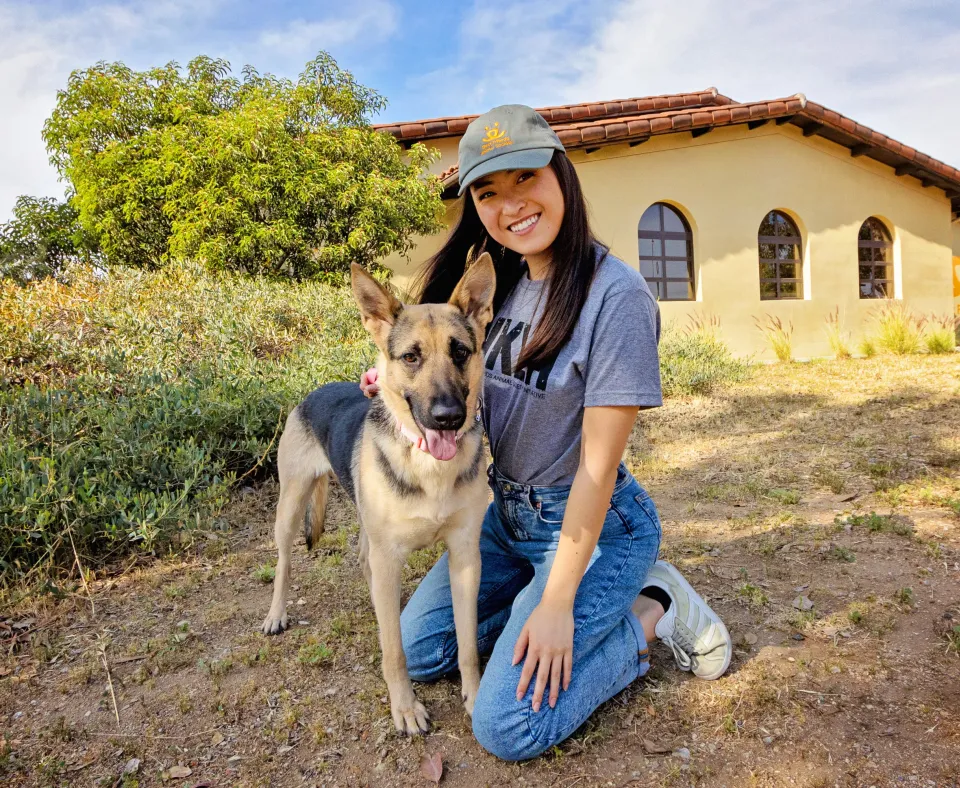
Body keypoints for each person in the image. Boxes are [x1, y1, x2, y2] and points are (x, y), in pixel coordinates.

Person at [359, 104, 731, 761]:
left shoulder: (616, 300)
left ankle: (652, 608)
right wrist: (397, 383)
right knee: (420, 654)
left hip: (587, 522)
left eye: (526, 177)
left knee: (506, 725)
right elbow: (446, 368)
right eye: (488, 192)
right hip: (505, 515)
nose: (511, 204)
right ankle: (537, 625)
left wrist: (558, 604)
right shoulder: (494, 286)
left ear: (562, 174)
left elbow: (595, 469)